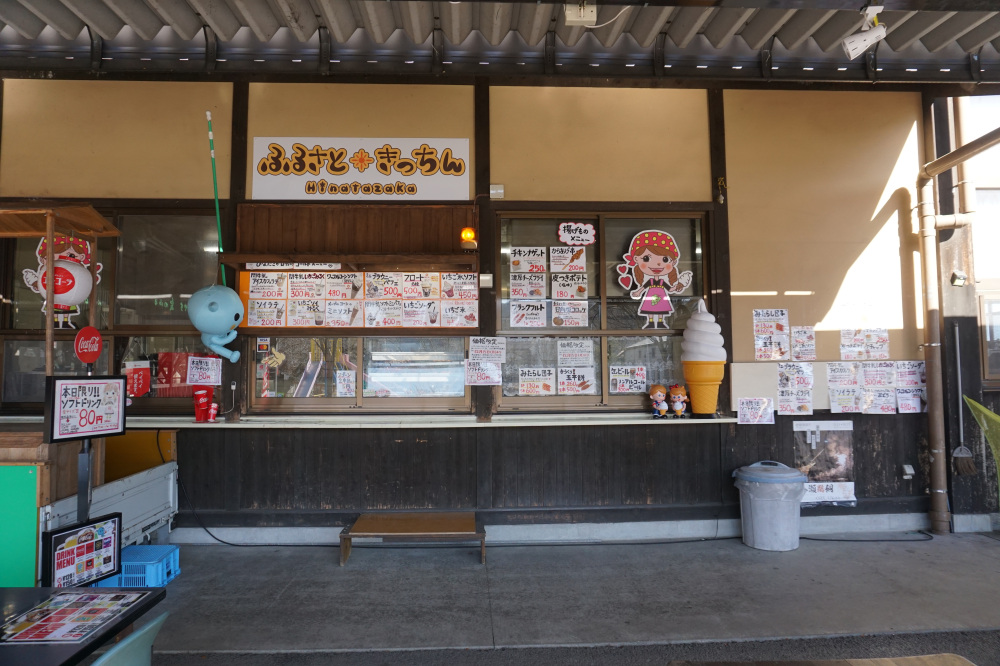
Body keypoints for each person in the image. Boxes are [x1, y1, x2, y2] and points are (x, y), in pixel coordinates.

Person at [616, 230, 692, 329]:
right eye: (646, 259)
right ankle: (651, 322)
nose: (657, 264)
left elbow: (669, 289)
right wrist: (638, 292)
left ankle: (660, 322)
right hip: (650, 295)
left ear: (673, 262)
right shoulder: (650, 281)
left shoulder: (662, 282)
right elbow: (644, 287)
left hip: (660, 296)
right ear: (636, 259)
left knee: (661, 309)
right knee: (650, 309)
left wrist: (677, 287)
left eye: (665, 259)